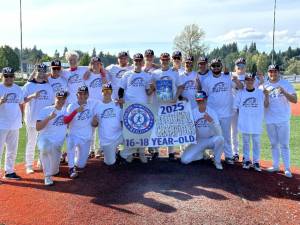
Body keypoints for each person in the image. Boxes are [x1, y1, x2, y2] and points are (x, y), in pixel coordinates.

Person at [202, 58, 242, 165]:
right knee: (214, 135)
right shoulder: (207, 81)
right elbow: (204, 96)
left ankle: (228, 156)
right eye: (213, 66)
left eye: (218, 65)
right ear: (211, 67)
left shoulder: (228, 78)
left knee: (226, 135)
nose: (216, 68)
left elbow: (240, 87)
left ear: (221, 66)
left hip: (226, 112)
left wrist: (236, 80)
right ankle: (215, 156)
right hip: (213, 113)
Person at [118, 53, 153, 163]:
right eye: (136, 61)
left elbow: (148, 92)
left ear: (142, 62)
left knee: (142, 131)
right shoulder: (127, 74)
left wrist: (153, 88)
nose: (137, 63)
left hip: (143, 107)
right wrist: (120, 98)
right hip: (129, 107)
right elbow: (121, 89)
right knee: (130, 131)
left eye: (139, 61)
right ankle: (129, 153)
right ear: (133, 62)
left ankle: (142, 152)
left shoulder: (146, 75)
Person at [264, 65, 298, 178]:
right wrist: (266, 96)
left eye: (275, 71)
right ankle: (275, 165)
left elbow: (295, 100)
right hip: (270, 119)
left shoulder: (285, 83)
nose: (272, 74)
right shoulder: (264, 85)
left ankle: (287, 168)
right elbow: (265, 105)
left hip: (283, 119)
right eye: (270, 72)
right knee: (273, 144)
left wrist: (284, 92)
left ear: (278, 72)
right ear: (268, 72)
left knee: (284, 145)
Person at [233, 73, 269, 172]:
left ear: (254, 81)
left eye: (251, 79)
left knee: (256, 142)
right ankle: (246, 160)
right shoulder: (241, 93)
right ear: (244, 81)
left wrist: (267, 96)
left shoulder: (260, 92)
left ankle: (256, 161)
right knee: (246, 143)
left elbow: (266, 105)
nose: (249, 81)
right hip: (245, 122)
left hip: (256, 122)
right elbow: (235, 107)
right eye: (247, 79)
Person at [152, 53, 184, 161]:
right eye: (162, 59)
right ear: (160, 60)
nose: (164, 61)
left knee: (170, 128)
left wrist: (176, 97)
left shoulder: (174, 72)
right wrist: (153, 86)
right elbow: (152, 88)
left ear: (169, 60)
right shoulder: (155, 73)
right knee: (160, 129)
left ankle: (170, 153)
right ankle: (160, 152)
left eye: (166, 59)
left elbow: (180, 87)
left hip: (171, 104)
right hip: (159, 105)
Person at [23, 64, 54, 174]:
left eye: (43, 71)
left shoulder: (48, 86)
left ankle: (41, 162)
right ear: (35, 71)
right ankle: (29, 165)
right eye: (39, 70)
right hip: (31, 119)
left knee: (43, 143)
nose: (41, 73)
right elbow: (22, 100)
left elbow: (52, 102)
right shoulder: (28, 85)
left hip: (44, 120)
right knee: (31, 142)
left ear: (45, 72)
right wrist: (32, 96)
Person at [181, 91, 224, 170]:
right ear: (196, 101)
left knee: (220, 139)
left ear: (206, 99)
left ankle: (217, 161)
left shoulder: (212, 112)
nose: (201, 102)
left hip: (211, 139)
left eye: (202, 100)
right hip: (199, 140)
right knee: (185, 160)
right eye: (199, 101)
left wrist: (211, 122)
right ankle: (201, 154)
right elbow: (187, 131)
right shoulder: (193, 112)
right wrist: (191, 127)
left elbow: (219, 132)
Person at [64, 86, 97, 178]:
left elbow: (95, 124)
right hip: (74, 135)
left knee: (81, 165)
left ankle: (69, 158)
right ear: (77, 95)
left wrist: (95, 122)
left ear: (88, 95)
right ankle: (71, 168)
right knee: (70, 142)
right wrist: (76, 111)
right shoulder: (72, 106)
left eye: (84, 93)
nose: (82, 96)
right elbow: (66, 121)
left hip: (86, 137)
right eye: (80, 94)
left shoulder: (92, 104)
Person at [36, 91, 68, 186]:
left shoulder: (66, 111)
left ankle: (47, 165)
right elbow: (38, 127)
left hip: (58, 144)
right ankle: (47, 177)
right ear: (55, 98)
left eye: (63, 99)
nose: (60, 100)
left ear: (65, 100)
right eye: (59, 98)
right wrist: (49, 117)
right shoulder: (45, 110)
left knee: (54, 171)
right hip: (45, 139)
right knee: (45, 148)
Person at [0, 67, 23, 180]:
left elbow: (21, 104)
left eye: (11, 76)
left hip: (14, 124)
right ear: (2, 76)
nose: (8, 78)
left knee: (12, 150)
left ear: (14, 77)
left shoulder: (18, 88)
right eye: (6, 76)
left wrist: (22, 118)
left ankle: (9, 172)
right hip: (1, 125)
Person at [92, 83, 123, 165]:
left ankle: (123, 154)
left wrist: (123, 103)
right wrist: (94, 121)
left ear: (111, 92)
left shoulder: (117, 104)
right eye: (105, 91)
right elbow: (94, 124)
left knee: (132, 139)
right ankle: (116, 154)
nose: (107, 92)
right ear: (102, 92)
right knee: (110, 162)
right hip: (107, 140)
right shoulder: (97, 106)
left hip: (120, 136)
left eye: (109, 90)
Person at [84, 56, 107, 158]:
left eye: (98, 63)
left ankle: (100, 149)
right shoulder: (87, 75)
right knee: (90, 129)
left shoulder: (104, 75)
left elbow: (107, 86)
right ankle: (91, 149)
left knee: (102, 128)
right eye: (93, 63)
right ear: (91, 64)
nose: (95, 65)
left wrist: (103, 75)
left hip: (101, 104)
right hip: (90, 105)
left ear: (100, 64)